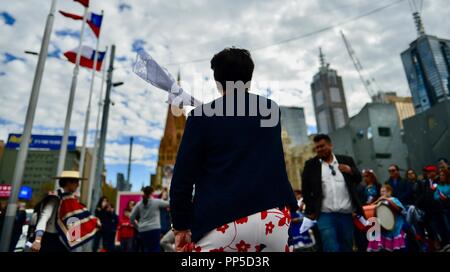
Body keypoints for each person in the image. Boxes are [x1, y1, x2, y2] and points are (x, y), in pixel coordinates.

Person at [170, 48, 297, 252]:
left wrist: (181, 225)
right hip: (273, 218)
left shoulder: (201, 116)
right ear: (249, 78)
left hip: (220, 220)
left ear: (217, 81)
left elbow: (182, 179)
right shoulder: (270, 110)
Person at [301, 134, 362, 252]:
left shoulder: (346, 160)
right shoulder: (311, 165)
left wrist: (350, 170)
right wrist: (311, 210)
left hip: (346, 214)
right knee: (330, 246)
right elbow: (306, 190)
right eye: (317, 147)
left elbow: (358, 179)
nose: (319, 149)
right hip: (325, 214)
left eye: (322, 146)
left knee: (347, 246)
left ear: (330, 145)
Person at [30, 171, 99, 252]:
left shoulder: (71, 200)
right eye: (76, 182)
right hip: (49, 239)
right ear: (68, 182)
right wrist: (38, 240)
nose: (78, 185)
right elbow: (44, 217)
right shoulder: (55, 198)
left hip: (61, 240)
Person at [367, 184, 407, 252]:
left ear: (389, 192)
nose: (382, 193)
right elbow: (370, 208)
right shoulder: (380, 201)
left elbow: (399, 209)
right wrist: (377, 201)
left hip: (394, 225)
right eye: (381, 191)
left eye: (384, 191)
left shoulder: (394, 199)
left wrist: (387, 199)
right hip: (383, 227)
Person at [130, 186, 169, 252]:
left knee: (146, 249)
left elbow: (131, 217)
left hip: (143, 230)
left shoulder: (139, 204)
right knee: (155, 249)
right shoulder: (156, 202)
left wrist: (138, 227)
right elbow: (169, 204)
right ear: (152, 192)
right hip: (154, 229)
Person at [416, 165, 440, 251]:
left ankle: (443, 242)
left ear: (435, 172)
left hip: (438, 209)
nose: (428, 173)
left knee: (438, 226)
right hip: (429, 209)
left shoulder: (439, 180)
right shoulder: (426, 182)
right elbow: (424, 195)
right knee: (429, 226)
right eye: (427, 172)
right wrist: (416, 204)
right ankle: (433, 242)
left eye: (430, 172)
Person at [433, 168, 450, 250]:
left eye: (443, 175)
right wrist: (440, 197)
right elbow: (435, 196)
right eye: (440, 175)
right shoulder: (438, 186)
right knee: (446, 226)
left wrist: (447, 197)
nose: (441, 177)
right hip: (443, 209)